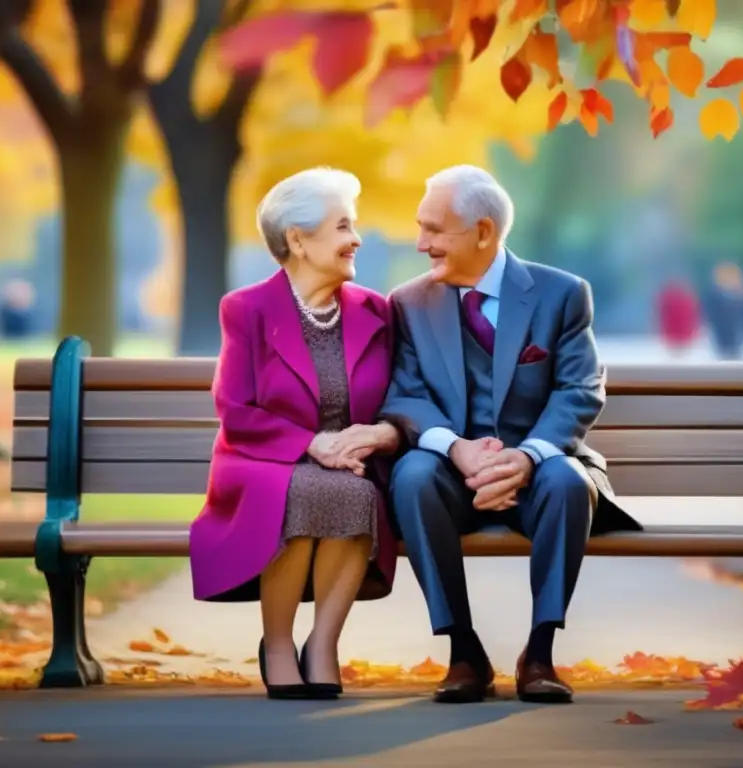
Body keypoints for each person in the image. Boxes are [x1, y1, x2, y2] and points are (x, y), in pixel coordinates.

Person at [379, 165, 641, 706]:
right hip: (452, 473)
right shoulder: (408, 303)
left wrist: (526, 457)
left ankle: (540, 653)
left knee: (568, 481)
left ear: (483, 232)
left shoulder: (562, 294)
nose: (421, 243)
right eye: (420, 227)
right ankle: (463, 651)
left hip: (540, 471)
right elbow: (404, 395)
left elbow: (579, 388)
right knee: (412, 476)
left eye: (435, 229)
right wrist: (457, 449)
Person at [189, 168, 400, 700]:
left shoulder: (376, 311)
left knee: (354, 492)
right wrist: (311, 444)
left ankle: (323, 644)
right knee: (304, 489)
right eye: (343, 226)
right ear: (298, 241)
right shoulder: (247, 309)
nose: (356, 239)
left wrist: (383, 432)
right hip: (264, 460)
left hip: (350, 464)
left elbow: (403, 395)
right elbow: (235, 411)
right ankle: (278, 643)